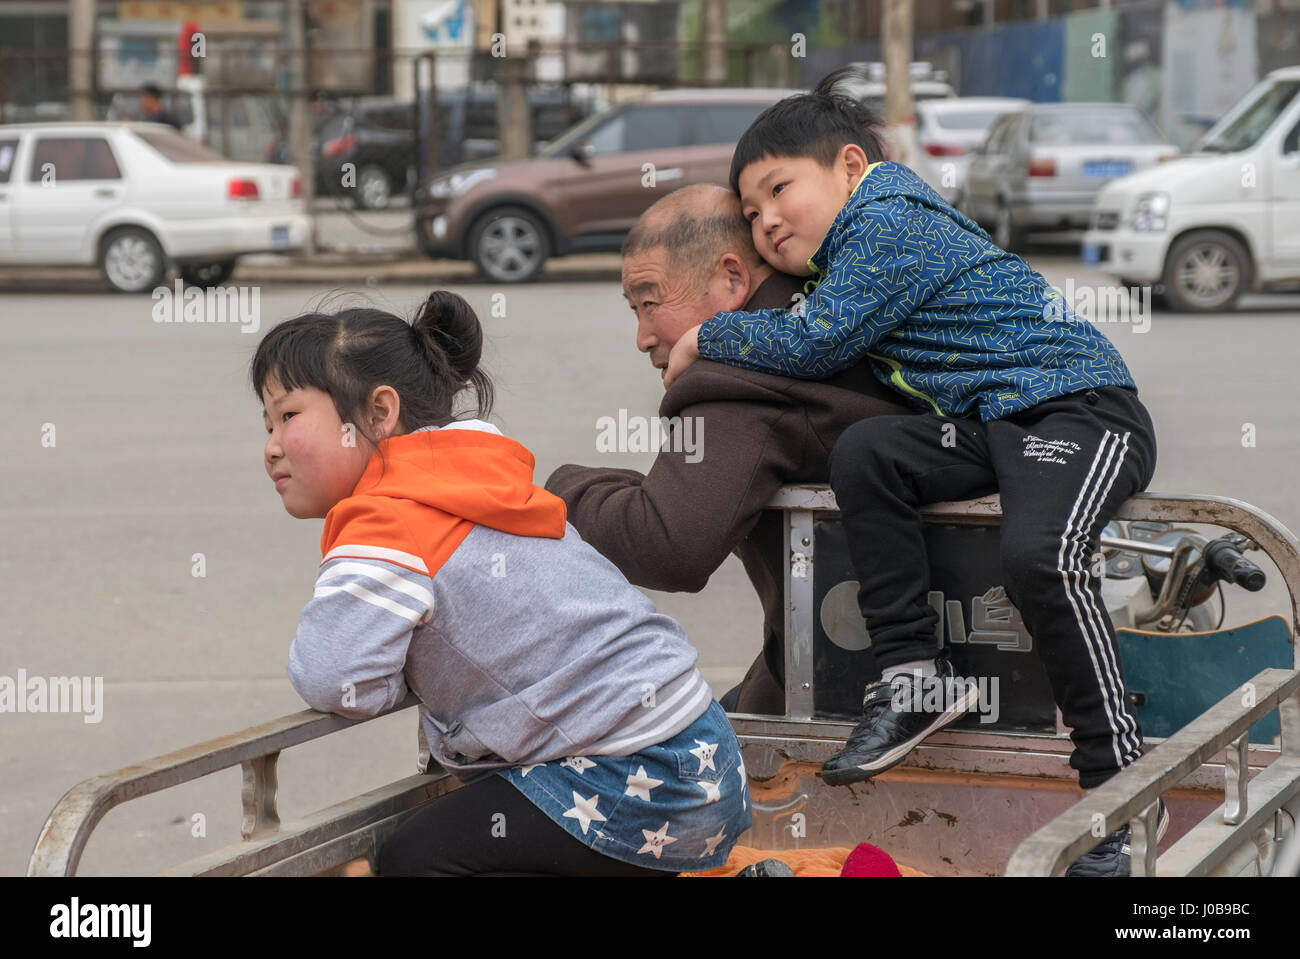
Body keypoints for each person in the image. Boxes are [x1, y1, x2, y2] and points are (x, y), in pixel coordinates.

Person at [663, 72, 1163, 875]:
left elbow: (813, 341)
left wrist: (703, 339)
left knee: (1041, 559)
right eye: (751, 214)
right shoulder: (852, 251)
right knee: (871, 454)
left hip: (1078, 406)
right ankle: (914, 679)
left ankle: (1120, 799)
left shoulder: (890, 219)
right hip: (994, 422)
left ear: (852, 167)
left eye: (779, 188)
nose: (766, 222)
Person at [252, 290, 750, 876]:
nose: (271, 447)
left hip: (636, 781)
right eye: (265, 423)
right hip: (703, 753)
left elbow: (330, 676)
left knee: (417, 859)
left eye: (289, 416)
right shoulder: (476, 475)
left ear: (380, 412)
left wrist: (397, 677)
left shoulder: (387, 520)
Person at [547, 184, 910, 714]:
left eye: (650, 303)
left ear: (733, 277)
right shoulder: (840, 305)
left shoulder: (742, 375)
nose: (643, 337)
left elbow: (668, 544)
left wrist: (559, 490)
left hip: (852, 681)